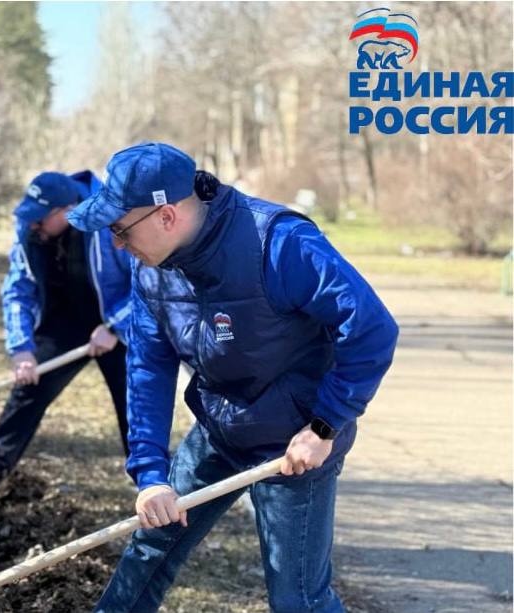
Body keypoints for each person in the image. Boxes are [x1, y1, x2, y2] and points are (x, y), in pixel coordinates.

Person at [66, 143, 399, 613]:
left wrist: (325, 425)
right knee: (148, 550)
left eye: (120, 229)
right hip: (220, 427)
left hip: (295, 442)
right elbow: (147, 368)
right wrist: (151, 476)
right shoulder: (152, 274)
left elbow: (370, 328)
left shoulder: (278, 244)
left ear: (166, 215)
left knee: (298, 599)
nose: (117, 244)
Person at [0, 170, 133, 496]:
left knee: (135, 400)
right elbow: (18, 289)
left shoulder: (110, 221)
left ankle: (152, 482)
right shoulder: (30, 232)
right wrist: (21, 348)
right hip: (65, 320)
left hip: (118, 322)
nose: (33, 225)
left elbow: (149, 282)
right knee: (29, 387)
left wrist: (115, 327)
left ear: (65, 211)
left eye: (40, 218)